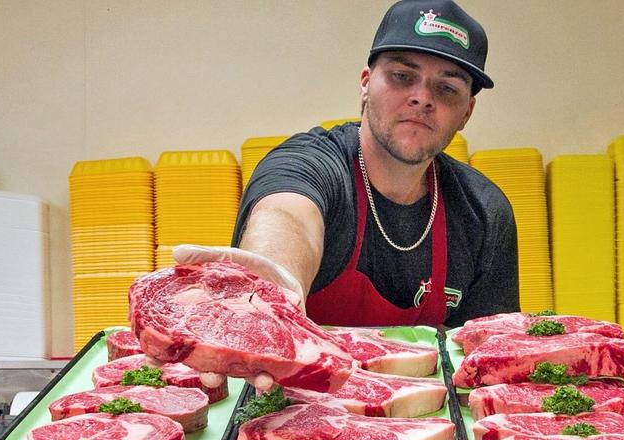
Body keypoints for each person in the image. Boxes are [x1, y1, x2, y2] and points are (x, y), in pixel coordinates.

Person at [176, 0, 519, 331]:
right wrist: (272, 286)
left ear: (467, 112)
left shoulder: (483, 212)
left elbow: (486, 347)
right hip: (296, 372)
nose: (423, 97)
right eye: (402, 75)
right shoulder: (310, 165)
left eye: (446, 88)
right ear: (366, 84)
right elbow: (286, 217)